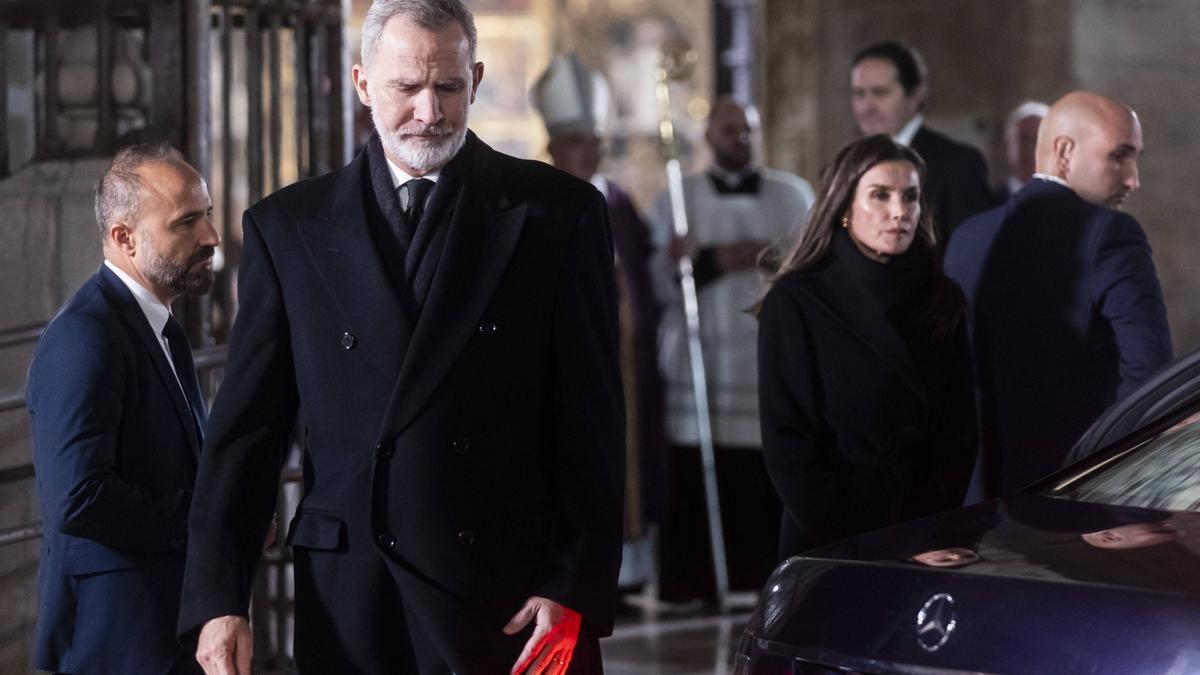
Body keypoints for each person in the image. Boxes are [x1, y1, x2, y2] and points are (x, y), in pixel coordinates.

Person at [178, 1, 624, 673]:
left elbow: (592, 426)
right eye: (406, 88)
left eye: (447, 87)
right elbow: (245, 436)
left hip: (509, 596)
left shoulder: (558, 215)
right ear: (362, 84)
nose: (430, 112)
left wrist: (572, 585)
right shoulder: (289, 228)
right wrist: (218, 598)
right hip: (354, 594)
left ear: (474, 81)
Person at [26, 142, 218, 674]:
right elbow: (79, 498)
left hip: (161, 631)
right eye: (186, 223)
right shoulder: (85, 336)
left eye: (208, 215)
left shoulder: (164, 331)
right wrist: (207, 520)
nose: (211, 238)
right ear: (124, 238)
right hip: (111, 642)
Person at [755, 135, 976, 559]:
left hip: (925, 532)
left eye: (910, 197)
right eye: (880, 195)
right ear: (843, 208)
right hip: (830, 538)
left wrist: (927, 529)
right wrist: (870, 543)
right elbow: (789, 445)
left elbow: (959, 433)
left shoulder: (941, 297)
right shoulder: (798, 300)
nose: (899, 212)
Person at [945, 91, 1171, 499]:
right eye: (1119, 156)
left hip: (974, 500)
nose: (1133, 179)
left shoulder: (966, 236)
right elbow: (1150, 379)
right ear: (1064, 152)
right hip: (1076, 501)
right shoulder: (1112, 233)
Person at [648, 98, 814, 600]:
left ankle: (762, 577)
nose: (739, 138)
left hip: (762, 352)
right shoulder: (677, 197)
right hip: (702, 354)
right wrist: (705, 260)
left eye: (747, 129)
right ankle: (693, 580)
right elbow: (658, 282)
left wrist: (767, 256)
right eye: (728, 130)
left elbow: (811, 268)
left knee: (761, 471)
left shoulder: (793, 194)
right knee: (700, 465)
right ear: (708, 136)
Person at [530, 53, 666, 590]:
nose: (590, 150)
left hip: (624, 355)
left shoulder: (618, 202)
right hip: (561, 358)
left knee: (625, 450)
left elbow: (643, 271)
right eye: (577, 140)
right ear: (552, 147)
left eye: (595, 139)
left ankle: (627, 574)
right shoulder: (535, 199)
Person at [850, 41, 992, 239]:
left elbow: (972, 252)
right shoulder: (847, 165)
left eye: (879, 92)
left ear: (916, 94)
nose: (866, 107)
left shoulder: (957, 164)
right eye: (859, 94)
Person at [994, 100, 1049, 203]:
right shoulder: (986, 203)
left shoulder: (1076, 205)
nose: (1030, 148)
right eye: (1023, 139)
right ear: (1007, 144)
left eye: (1037, 139)